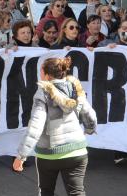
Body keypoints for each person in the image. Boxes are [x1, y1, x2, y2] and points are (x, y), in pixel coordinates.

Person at [13, 57, 96, 196]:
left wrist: (21, 155)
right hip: (77, 151)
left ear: (47, 75)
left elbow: (35, 126)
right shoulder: (76, 88)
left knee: (46, 192)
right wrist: (89, 129)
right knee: (77, 192)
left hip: (49, 155)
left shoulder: (43, 93)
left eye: (41, 71)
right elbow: (89, 114)